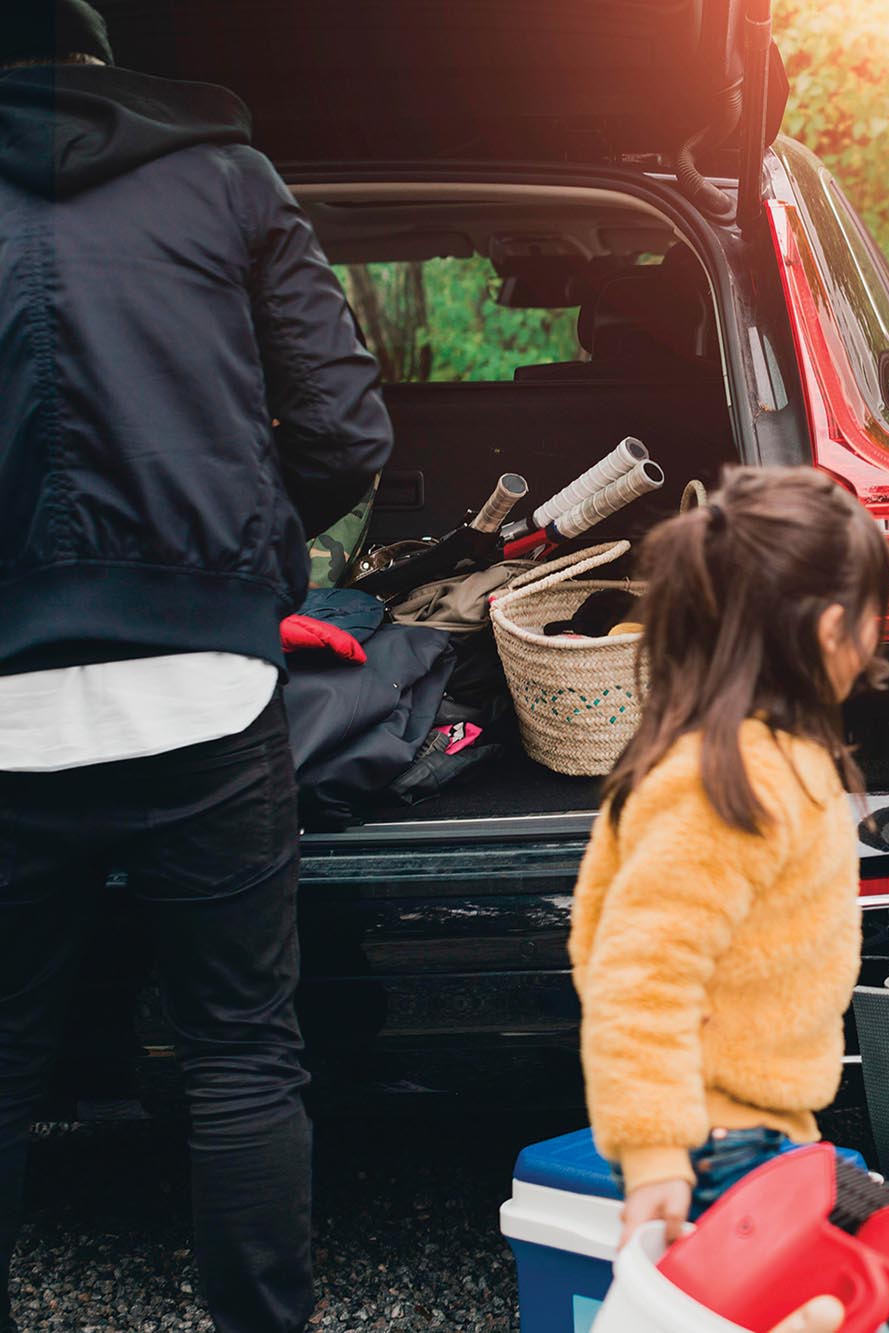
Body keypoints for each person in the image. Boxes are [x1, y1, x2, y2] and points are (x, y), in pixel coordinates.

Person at [0, 2, 393, 1329]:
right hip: (210, 696)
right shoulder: (227, 177)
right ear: (106, 62)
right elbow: (345, 424)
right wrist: (251, 550)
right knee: (239, 1053)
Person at [569, 468, 889, 1312]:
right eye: (872, 616)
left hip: (758, 1131)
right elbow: (637, 973)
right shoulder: (728, 778)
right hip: (717, 1145)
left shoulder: (764, 756)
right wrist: (654, 1153)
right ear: (829, 629)